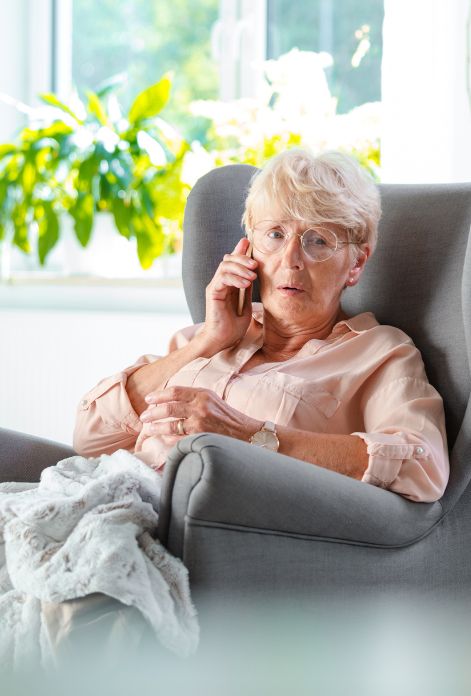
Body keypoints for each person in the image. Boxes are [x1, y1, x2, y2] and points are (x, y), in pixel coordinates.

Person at [74, 148, 449, 503]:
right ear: (248, 245)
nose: (291, 259)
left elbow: (424, 466)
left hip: (220, 531)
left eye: (318, 240)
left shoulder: (379, 352)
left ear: (356, 263)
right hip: (115, 497)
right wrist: (206, 339)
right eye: (275, 234)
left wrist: (249, 435)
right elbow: (89, 438)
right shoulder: (201, 340)